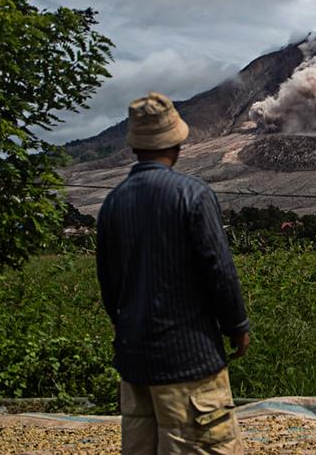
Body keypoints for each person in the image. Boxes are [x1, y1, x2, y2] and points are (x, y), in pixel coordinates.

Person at [96, 92, 250, 454]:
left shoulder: (113, 202)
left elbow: (109, 283)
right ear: (178, 141)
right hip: (188, 362)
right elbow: (219, 270)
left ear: (134, 145)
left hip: (135, 363)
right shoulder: (192, 194)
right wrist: (237, 326)